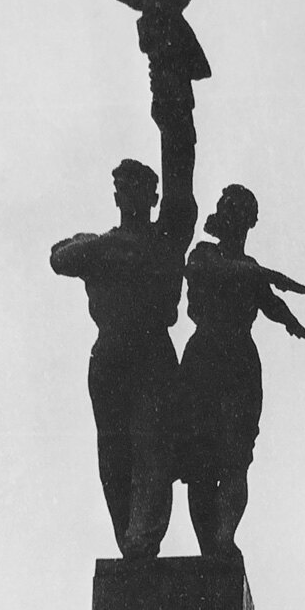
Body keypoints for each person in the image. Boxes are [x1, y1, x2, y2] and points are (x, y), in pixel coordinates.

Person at [50, 154, 196, 559]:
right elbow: (58, 257)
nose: (129, 195)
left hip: (151, 353)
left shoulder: (165, 239)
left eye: (138, 188)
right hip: (110, 355)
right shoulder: (102, 243)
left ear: (153, 196)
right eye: (122, 188)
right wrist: (115, 248)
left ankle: (142, 537)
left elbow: (182, 196)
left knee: (153, 447)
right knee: (114, 455)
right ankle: (129, 538)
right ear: (116, 196)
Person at [180, 184, 305, 557]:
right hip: (205, 357)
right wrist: (267, 275)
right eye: (229, 210)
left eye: (242, 212)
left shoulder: (251, 268)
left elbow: (270, 303)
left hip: (239, 360)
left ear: (251, 221)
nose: (235, 218)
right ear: (221, 216)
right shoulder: (204, 253)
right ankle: (208, 547)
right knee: (200, 461)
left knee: (236, 457)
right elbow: (216, 273)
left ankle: (224, 537)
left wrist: (290, 321)